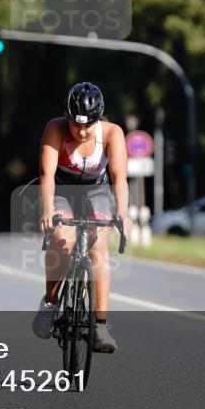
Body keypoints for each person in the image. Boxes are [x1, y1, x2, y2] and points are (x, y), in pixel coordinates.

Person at [32, 82, 129, 352]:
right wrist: (48, 210)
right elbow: (47, 175)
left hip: (95, 192)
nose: (82, 130)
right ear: (67, 117)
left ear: (100, 118)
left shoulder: (112, 133)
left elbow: (119, 178)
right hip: (62, 191)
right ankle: (51, 304)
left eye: (88, 124)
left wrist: (122, 213)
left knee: (99, 247)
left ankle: (100, 326)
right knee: (62, 238)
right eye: (75, 123)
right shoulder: (55, 128)